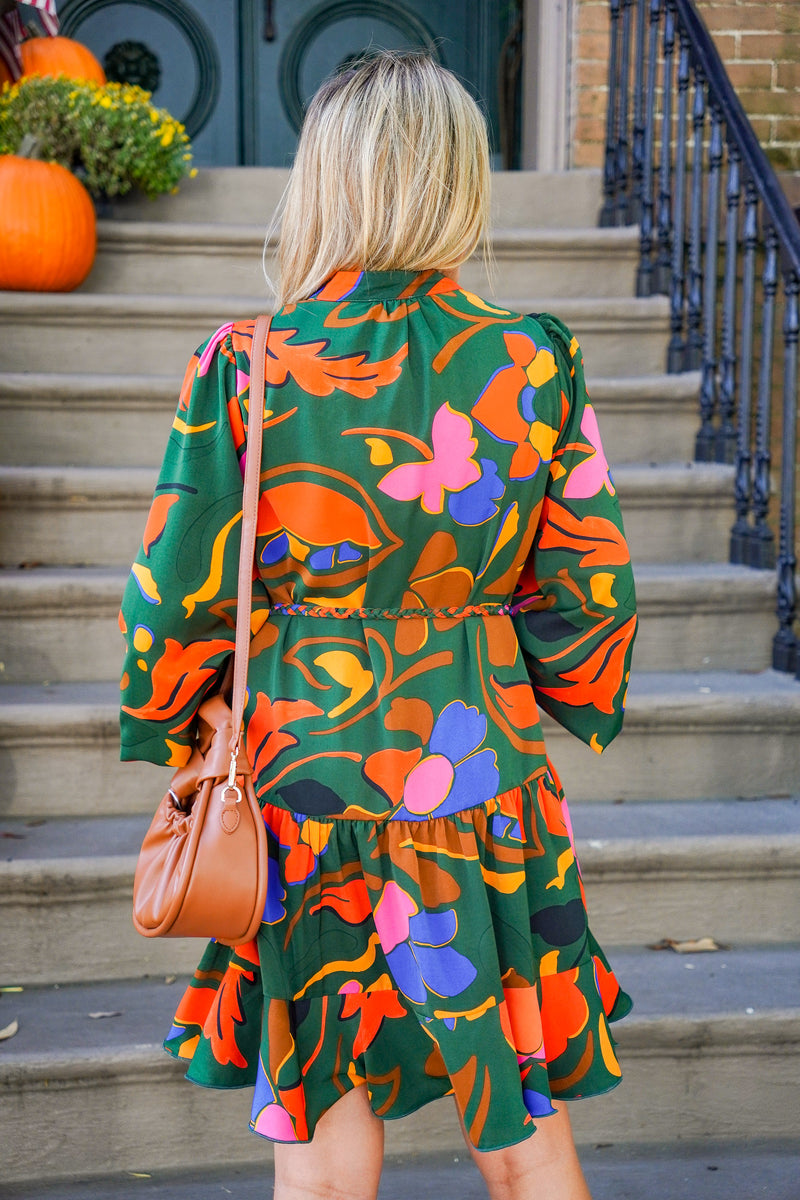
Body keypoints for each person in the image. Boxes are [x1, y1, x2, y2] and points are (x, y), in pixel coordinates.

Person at [119, 51, 637, 1200]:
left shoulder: (247, 365)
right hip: (479, 775)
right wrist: (557, 691)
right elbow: (591, 586)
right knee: (518, 1117)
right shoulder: (532, 360)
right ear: (457, 178)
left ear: (325, 180)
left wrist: (172, 715)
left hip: (305, 776)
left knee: (320, 1132)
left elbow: (175, 586)